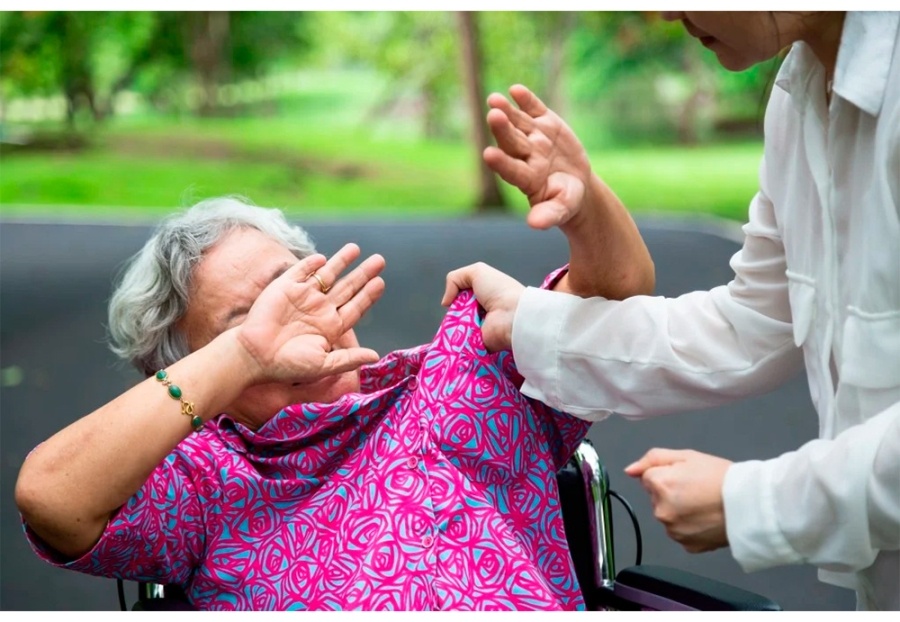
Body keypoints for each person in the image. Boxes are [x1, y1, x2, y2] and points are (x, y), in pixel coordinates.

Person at [15, 154, 654, 609]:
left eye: (294, 286)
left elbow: (616, 296)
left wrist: (585, 198)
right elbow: (51, 498)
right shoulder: (204, 480)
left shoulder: (460, 367)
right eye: (247, 318)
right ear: (195, 377)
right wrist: (248, 351)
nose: (293, 319)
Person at [444, 11, 900, 611]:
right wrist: (527, 320)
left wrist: (752, 501)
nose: (665, 12)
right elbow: (750, 328)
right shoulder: (800, 98)